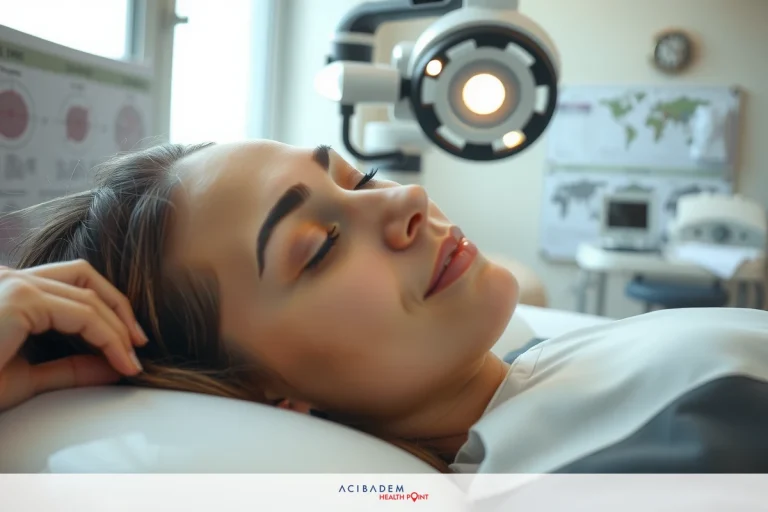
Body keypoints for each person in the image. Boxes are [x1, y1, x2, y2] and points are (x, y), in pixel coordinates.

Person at [1, 141, 767, 475]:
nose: (407, 199)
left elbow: (525, 287)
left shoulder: (524, 362)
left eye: (359, 178)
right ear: (265, 394)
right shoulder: (626, 463)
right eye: (322, 246)